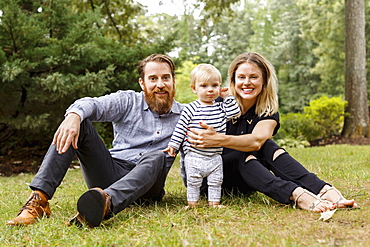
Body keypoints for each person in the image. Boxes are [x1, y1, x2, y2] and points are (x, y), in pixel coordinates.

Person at [7, 54, 184, 228]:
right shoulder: (128, 101)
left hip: (149, 187)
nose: (160, 85)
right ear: (142, 83)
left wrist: (213, 138)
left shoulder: (186, 115)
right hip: (111, 173)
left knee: (158, 157)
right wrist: (74, 116)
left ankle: (106, 202)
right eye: (153, 78)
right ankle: (39, 200)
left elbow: (205, 143)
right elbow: (93, 104)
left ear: (173, 81)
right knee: (79, 123)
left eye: (165, 78)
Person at [185, 52, 358, 212]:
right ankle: (297, 195)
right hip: (209, 179)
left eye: (254, 77)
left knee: (267, 146)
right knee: (241, 155)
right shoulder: (216, 104)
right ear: (233, 81)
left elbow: (256, 142)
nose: (247, 82)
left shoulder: (266, 111)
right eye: (241, 77)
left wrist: (218, 139)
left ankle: (324, 190)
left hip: (246, 178)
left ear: (264, 81)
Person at [163, 64, 240, 208]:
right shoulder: (190, 108)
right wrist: (173, 145)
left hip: (215, 156)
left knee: (216, 181)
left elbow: (235, 113)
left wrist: (228, 96)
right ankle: (192, 204)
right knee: (193, 181)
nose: (210, 89)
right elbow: (180, 128)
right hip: (194, 156)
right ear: (194, 88)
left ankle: (214, 203)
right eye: (204, 86)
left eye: (215, 85)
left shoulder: (221, 107)